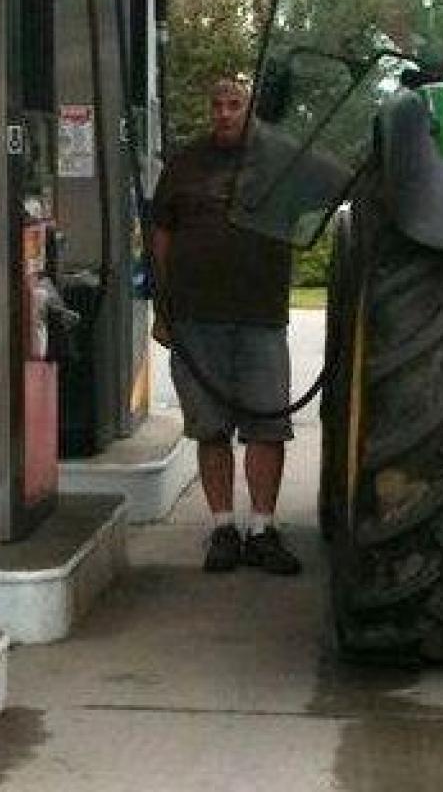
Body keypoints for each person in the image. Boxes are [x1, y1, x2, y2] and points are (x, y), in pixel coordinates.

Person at [150, 75, 303, 576]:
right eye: (216, 104)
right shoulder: (184, 165)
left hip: (260, 315)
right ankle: (222, 527)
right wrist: (162, 305)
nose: (223, 113)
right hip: (196, 317)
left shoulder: (278, 163)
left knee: (266, 425)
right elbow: (162, 237)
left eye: (234, 104)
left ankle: (262, 527)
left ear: (251, 109)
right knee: (209, 427)